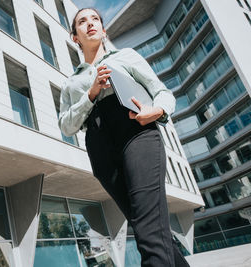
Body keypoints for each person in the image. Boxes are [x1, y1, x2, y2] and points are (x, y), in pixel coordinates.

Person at [58, 8, 190, 267]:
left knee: (150, 230)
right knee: (146, 228)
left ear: (103, 30)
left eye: (95, 19)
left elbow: (162, 92)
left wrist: (156, 111)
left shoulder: (126, 56)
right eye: (82, 22)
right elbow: (66, 125)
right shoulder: (71, 83)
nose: (90, 24)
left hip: (136, 131)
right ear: (75, 37)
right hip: (99, 145)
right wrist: (91, 93)